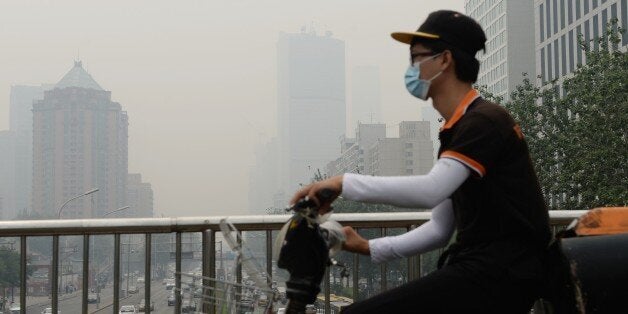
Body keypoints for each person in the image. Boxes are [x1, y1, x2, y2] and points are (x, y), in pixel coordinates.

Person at [290, 10, 551, 313]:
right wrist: (368, 247)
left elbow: (431, 190)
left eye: (416, 58)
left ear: (444, 60)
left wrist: (341, 182)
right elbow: (441, 227)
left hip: (501, 272)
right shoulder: (457, 128)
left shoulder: (483, 122)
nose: (411, 69)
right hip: (485, 269)